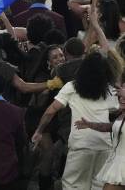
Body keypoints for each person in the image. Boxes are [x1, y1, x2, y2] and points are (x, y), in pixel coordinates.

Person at [32, 52, 119, 190]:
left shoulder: (72, 87)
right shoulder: (110, 90)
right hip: (104, 145)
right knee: (98, 186)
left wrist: (39, 131)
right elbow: (116, 110)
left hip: (81, 144)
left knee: (73, 185)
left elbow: (51, 111)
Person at [74, 80, 125, 189]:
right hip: (117, 162)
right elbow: (111, 127)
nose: (121, 98)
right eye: (120, 96)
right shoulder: (122, 116)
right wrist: (90, 125)